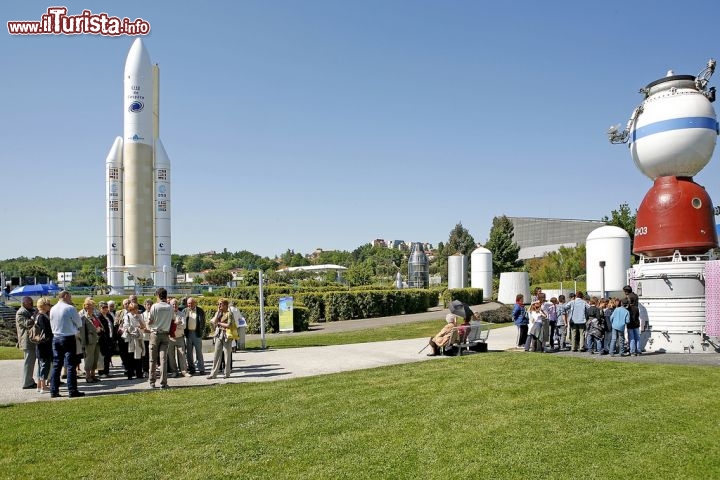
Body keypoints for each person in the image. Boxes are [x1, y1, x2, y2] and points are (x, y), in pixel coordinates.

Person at [49, 290, 85, 398]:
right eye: (70, 297)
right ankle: (72, 390)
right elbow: (79, 323)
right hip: (68, 337)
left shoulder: (53, 308)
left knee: (56, 365)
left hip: (56, 337)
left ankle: (54, 390)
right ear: (65, 296)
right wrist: (73, 327)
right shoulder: (70, 308)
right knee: (70, 365)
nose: (71, 299)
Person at [146, 288, 173, 389]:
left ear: (158, 295)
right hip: (165, 334)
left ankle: (152, 381)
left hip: (155, 334)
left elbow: (150, 321)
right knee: (163, 360)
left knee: (152, 359)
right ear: (166, 296)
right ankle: (163, 382)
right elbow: (172, 319)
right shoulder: (170, 307)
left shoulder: (154, 306)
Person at [207, 298, 237, 379]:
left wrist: (220, 323)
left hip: (227, 335)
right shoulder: (218, 313)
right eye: (218, 304)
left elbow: (229, 325)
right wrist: (217, 313)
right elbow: (214, 322)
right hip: (218, 334)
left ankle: (227, 373)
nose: (219, 305)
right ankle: (213, 374)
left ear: (226, 305)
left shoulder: (229, 314)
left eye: (221, 304)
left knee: (227, 354)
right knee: (216, 354)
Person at [15, 296, 38, 390]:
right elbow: (27, 323)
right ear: (23, 303)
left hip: (32, 340)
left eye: (32, 302)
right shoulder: (20, 312)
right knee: (28, 362)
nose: (31, 304)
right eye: (29, 302)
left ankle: (30, 381)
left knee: (31, 362)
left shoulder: (30, 310)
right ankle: (27, 383)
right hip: (27, 341)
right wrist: (34, 316)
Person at [79, 297, 102, 383]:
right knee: (89, 358)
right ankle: (88, 376)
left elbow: (99, 325)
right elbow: (82, 331)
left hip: (97, 339)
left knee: (95, 358)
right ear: (86, 307)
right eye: (92, 306)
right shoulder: (83, 317)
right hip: (89, 341)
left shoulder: (95, 316)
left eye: (93, 306)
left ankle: (93, 374)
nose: (93, 308)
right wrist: (84, 342)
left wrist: (100, 329)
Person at [34, 297, 54, 393]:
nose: (50, 306)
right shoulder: (42, 317)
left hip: (41, 344)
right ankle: (43, 386)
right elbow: (46, 331)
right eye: (48, 304)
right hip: (44, 344)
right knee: (44, 365)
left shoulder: (38, 315)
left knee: (41, 364)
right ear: (44, 305)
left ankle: (39, 385)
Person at [122, 302, 146, 380]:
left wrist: (139, 320)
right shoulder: (127, 316)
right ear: (130, 309)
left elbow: (143, 326)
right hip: (131, 338)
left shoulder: (139, 316)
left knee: (139, 356)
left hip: (139, 337)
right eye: (132, 309)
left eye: (136, 308)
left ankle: (139, 373)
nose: (134, 310)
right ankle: (130, 373)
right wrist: (135, 329)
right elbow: (126, 327)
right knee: (130, 356)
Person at [167, 298, 191, 378]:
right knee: (171, 356)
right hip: (170, 338)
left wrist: (174, 325)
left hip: (180, 337)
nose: (174, 306)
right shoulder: (168, 315)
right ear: (170, 305)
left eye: (176, 304)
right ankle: (174, 371)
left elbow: (184, 326)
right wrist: (177, 324)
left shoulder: (181, 314)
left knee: (182, 354)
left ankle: (184, 371)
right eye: (173, 304)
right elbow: (167, 327)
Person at [183, 297, 206, 375]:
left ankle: (201, 369)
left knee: (199, 352)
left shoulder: (200, 310)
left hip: (197, 334)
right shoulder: (185, 311)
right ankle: (191, 368)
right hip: (188, 334)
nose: (190, 305)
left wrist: (201, 330)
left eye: (192, 303)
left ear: (195, 303)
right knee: (189, 353)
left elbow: (203, 322)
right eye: (189, 303)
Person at [623, 285, 642, 356]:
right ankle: (638, 350)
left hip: (630, 323)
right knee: (637, 337)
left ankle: (632, 351)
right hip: (636, 323)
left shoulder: (628, 309)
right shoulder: (636, 307)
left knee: (631, 338)